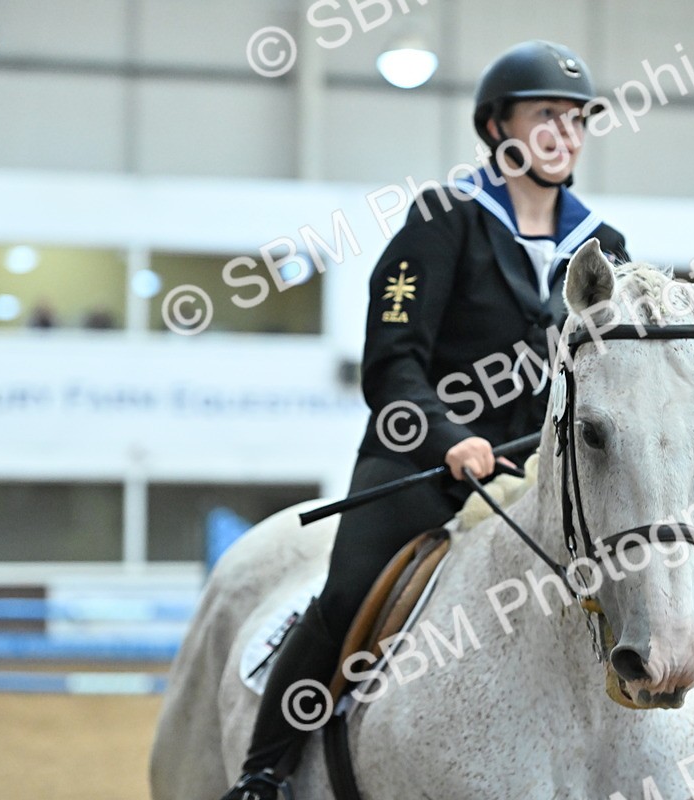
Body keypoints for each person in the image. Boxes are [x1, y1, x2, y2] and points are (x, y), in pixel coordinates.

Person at [220, 40, 628, 800]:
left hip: (537, 468)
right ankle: (264, 770)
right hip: (422, 458)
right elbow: (393, 362)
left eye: (576, 121)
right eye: (547, 117)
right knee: (347, 594)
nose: (565, 135)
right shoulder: (443, 221)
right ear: (498, 126)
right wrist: (450, 438)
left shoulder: (602, 248)